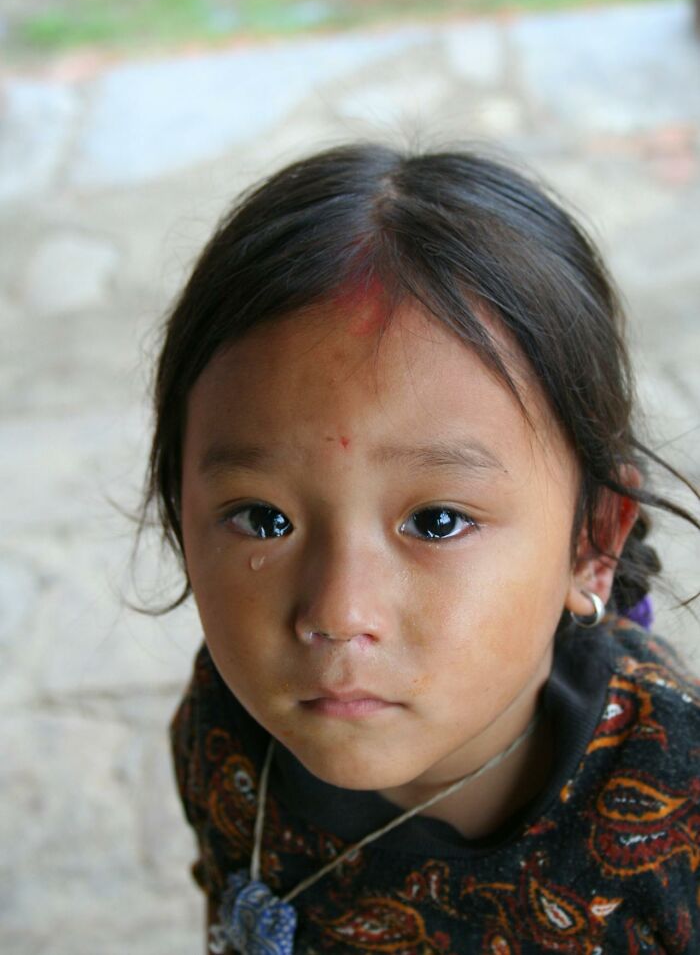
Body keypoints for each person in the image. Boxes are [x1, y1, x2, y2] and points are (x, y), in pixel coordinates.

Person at [143, 144, 700, 954]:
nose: (337, 614)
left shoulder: (676, 804)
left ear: (592, 541)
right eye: (263, 519)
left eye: (436, 522)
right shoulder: (225, 730)